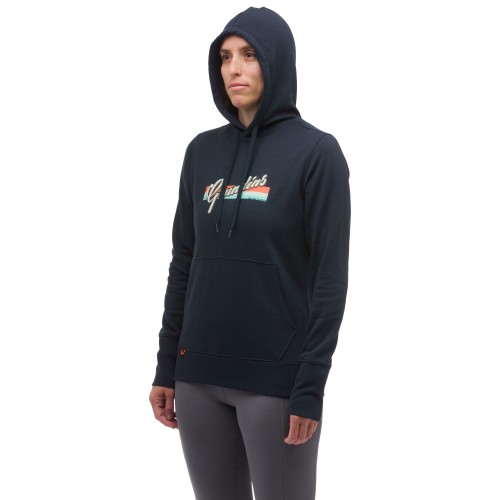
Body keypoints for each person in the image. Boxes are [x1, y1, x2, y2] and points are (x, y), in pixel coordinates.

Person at [149, 6, 351, 500]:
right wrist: (166, 365)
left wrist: (310, 386)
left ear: (276, 62)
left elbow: (329, 279)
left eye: (249, 55)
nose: (233, 69)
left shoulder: (316, 153)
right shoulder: (201, 152)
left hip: (274, 380)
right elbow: (183, 262)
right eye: (224, 57)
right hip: (197, 377)